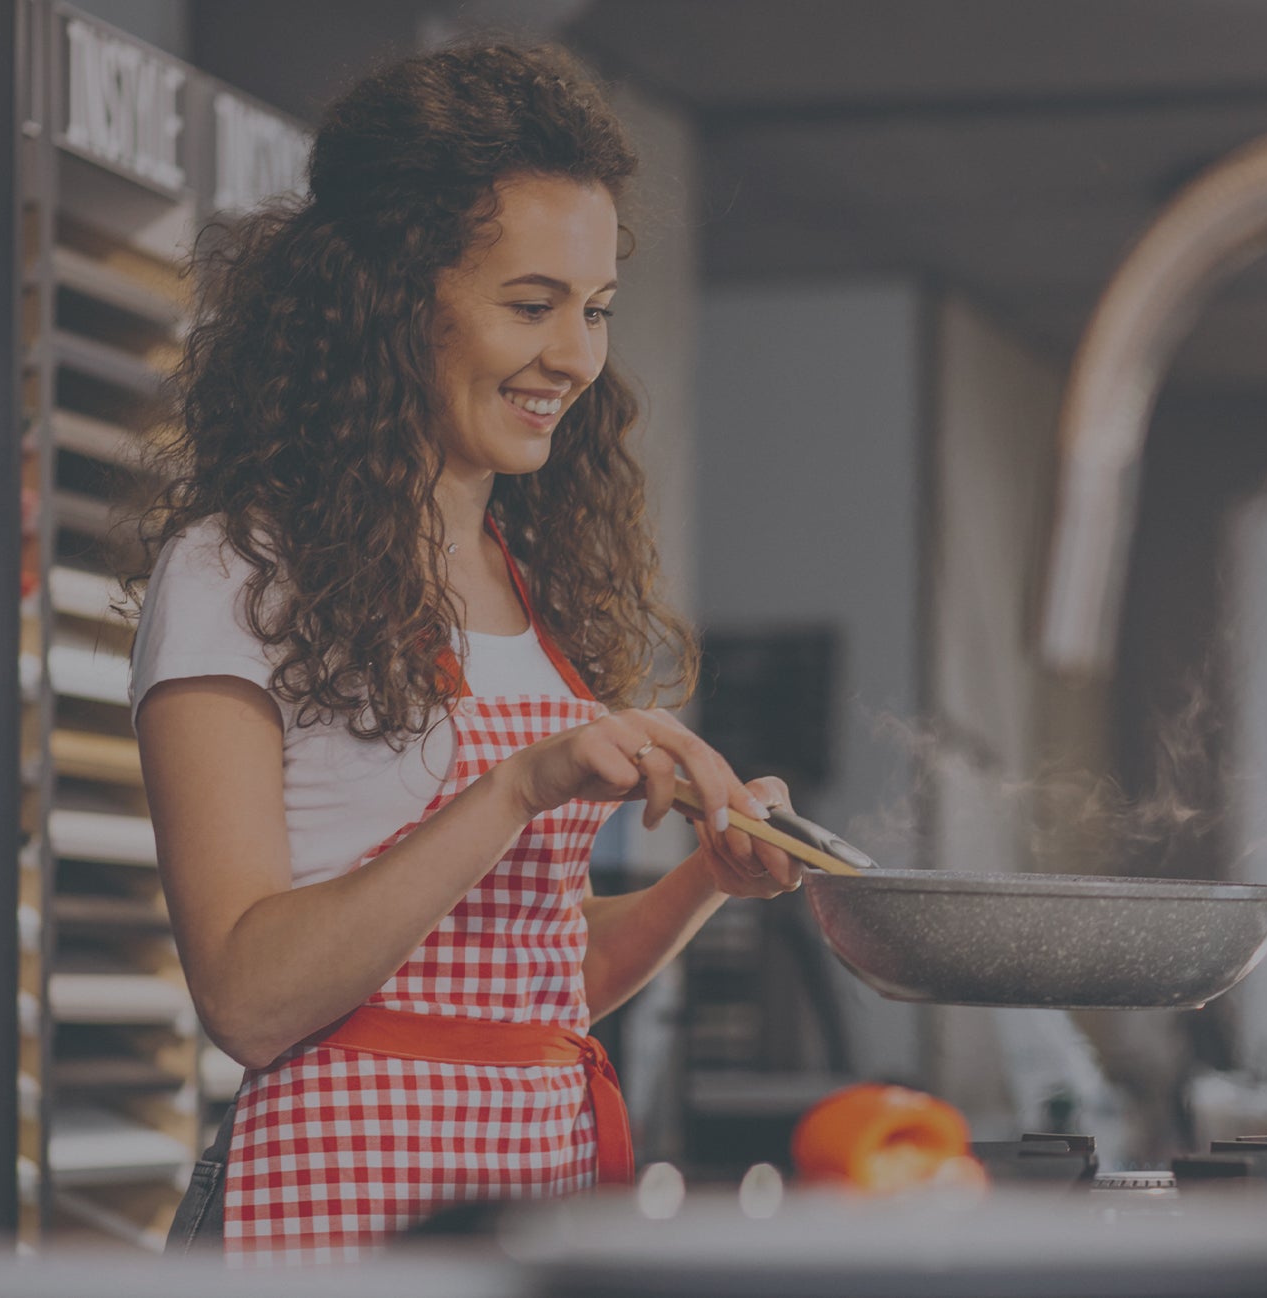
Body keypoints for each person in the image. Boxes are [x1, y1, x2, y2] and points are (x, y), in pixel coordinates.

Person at [129, 41, 799, 1263]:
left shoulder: (526, 581)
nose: (576, 358)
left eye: (594, 311)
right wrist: (520, 785)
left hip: (528, 1201)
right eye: (529, 303)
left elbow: (533, 979)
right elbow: (248, 994)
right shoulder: (237, 573)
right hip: (333, 1212)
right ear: (391, 297)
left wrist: (707, 876)